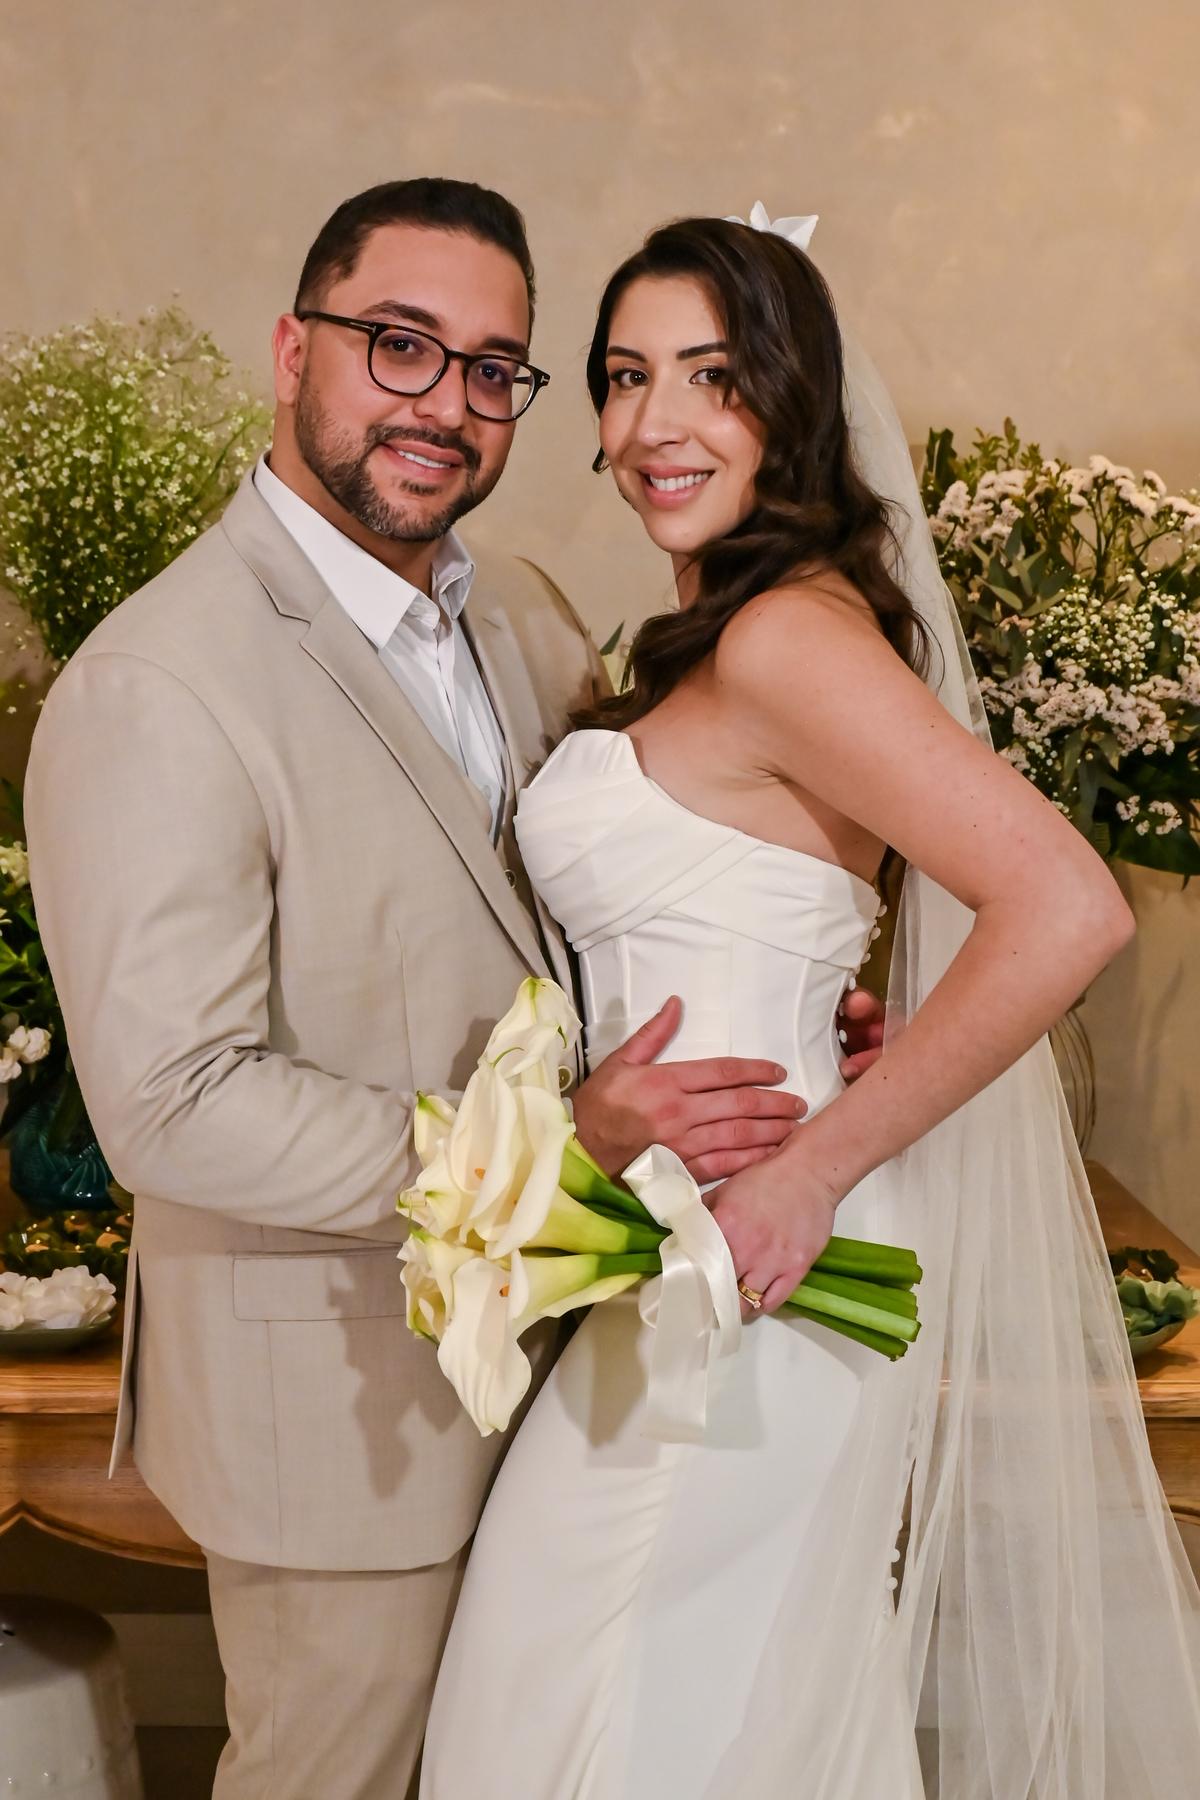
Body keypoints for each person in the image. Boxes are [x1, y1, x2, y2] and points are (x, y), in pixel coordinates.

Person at [23, 180, 884, 1800]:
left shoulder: (527, 616)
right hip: (347, 1423)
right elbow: (172, 1106)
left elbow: (592, 909)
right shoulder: (159, 682)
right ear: (294, 350)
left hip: (583, 1366)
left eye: (495, 369)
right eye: (399, 345)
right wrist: (554, 1151)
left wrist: (771, 992)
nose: (445, 403)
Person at [420, 214, 1200, 1799]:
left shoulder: (784, 636)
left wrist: (815, 1164)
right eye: (624, 375)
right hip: (675, 1265)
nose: (655, 423)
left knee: (579, 1721)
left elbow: (1069, 905)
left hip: (757, 1276)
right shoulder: (725, 633)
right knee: (686, 1722)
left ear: (792, 401)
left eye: (712, 377)